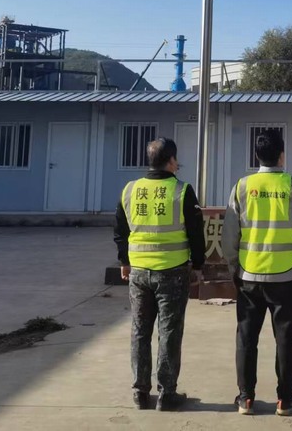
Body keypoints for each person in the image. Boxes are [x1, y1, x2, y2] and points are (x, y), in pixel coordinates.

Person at [222, 128, 292, 416]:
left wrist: (233, 266)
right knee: (286, 338)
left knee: (246, 337)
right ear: (282, 155)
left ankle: (246, 398)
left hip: (249, 276)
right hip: (286, 276)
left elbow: (230, 234)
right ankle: (285, 399)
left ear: (257, 156)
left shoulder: (241, 187)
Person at [113, 137, 206, 412]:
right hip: (173, 272)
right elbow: (196, 234)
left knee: (140, 331)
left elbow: (120, 230)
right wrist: (198, 266)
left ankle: (140, 392)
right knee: (169, 332)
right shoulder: (182, 191)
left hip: (139, 273)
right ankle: (167, 394)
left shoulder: (130, 190)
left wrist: (124, 261)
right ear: (172, 161)